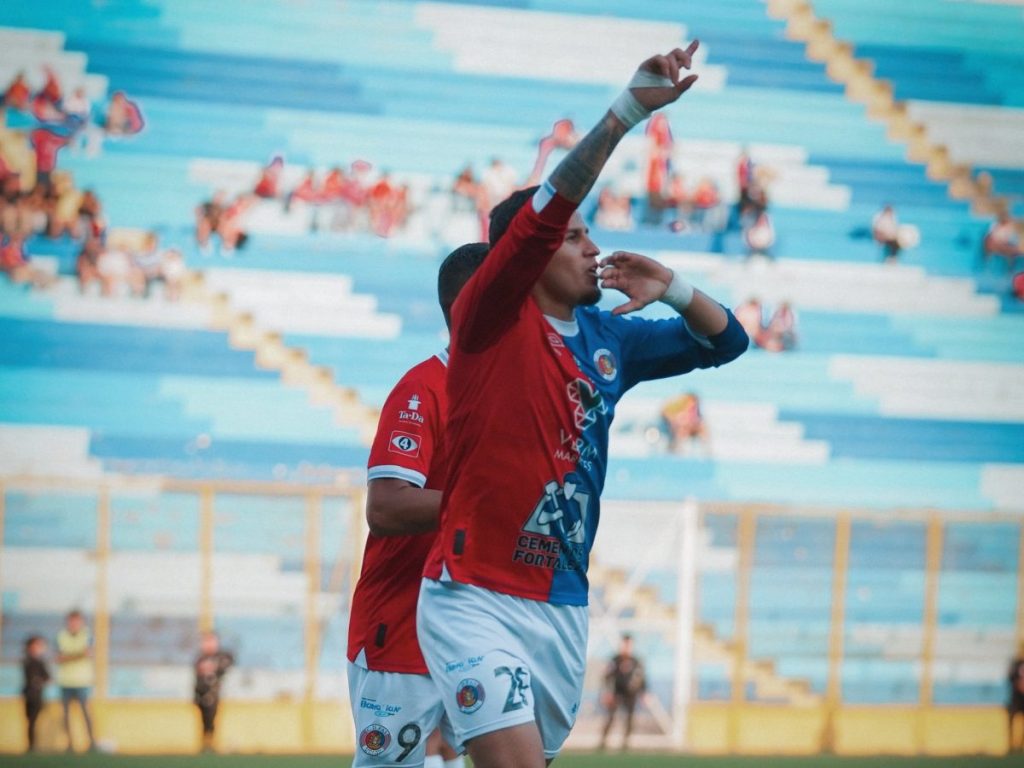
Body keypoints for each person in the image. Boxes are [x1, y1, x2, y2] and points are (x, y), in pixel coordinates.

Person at [417, 43, 748, 768]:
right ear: (528, 258)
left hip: (562, 603)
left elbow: (729, 343)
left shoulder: (609, 340)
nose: (592, 247)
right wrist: (627, 113)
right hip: (474, 595)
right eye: (574, 237)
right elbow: (543, 213)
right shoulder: (491, 318)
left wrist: (675, 288)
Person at [347, 243, 487, 768]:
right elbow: (385, 507)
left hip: (479, 622)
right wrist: (487, 505)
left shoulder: (514, 394)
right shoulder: (424, 388)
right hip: (402, 624)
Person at [56, 610, 96, 752]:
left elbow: (88, 653)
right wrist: (79, 655)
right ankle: (69, 744)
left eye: (76, 621)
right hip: (65, 681)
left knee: (86, 713)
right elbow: (59, 658)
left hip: (82, 681)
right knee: (66, 715)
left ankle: (92, 743)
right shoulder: (61, 636)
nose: (73, 623)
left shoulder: (87, 634)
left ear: (81, 622)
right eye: (71, 621)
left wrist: (68, 656)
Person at [598, 634, 647, 751]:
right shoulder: (615, 660)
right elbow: (607, 677)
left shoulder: (636, 661)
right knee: (610, 717)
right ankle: (603, 742)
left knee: (629, 718)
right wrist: (607, 692)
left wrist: (644, 693)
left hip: (630, 694)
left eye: (629, 644)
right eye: (625, 644)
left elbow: (642, 679)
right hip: (616, 693)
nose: (626, 647)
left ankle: (626, 743)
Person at [194, 631, 234, 753]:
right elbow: (197, 679)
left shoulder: (221, 657)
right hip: (201, 695)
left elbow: (226, 665)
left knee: (212, 719)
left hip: (213, 696)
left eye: (210, 641)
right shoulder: (200, 659)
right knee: (203, 720)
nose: (207, 645)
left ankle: (211, 743)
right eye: (205, 642)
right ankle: (205, 743)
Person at [22, 635, 51, 752]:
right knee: (31, 720)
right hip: (30, 694)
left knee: (33, 720)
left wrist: (40, 681)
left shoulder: (38, 661)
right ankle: (31, 745)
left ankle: (32, 745)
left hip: (37, 694)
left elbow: (47, 677)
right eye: (37, 645)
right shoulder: (28, 661)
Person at [1009, 645, 1024, 753]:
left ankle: (1021, 744)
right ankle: (1011, 744)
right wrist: (1018, 684)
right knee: (1011, 719)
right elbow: (1011, 677)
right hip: (1016, 698)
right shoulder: (1016, 664)